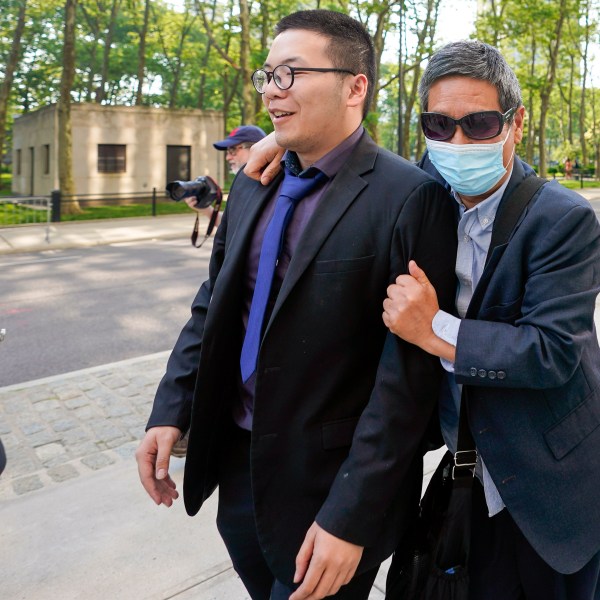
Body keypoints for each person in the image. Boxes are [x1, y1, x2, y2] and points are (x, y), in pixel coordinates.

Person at [136, 9, 457, 600]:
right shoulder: (254, 181)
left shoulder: (411, 197)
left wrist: (351, 517)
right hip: (237, 468)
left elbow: (406, 383)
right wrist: (171, 406)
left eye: (290, 74)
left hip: (328, 492)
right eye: (266, 76)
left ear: (355, 85)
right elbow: (215, 304)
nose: (271, 92)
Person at [382, 40, 600, 599]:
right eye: (439, 125)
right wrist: (278, 148)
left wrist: (433, 330)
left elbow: (551, 352)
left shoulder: (563, 219)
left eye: (479, 124)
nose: (457, 142)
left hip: (550, 487)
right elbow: (353, 173)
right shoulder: (421, 197)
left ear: (515, 123)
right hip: (462, 474)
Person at [183, 125, 267, 228]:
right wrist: (205, 208)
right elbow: (232, 226)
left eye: (233, 150)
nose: (228, 157)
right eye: (227, 152)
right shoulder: (245, 184)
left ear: (256, 148)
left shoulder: (272, 184)